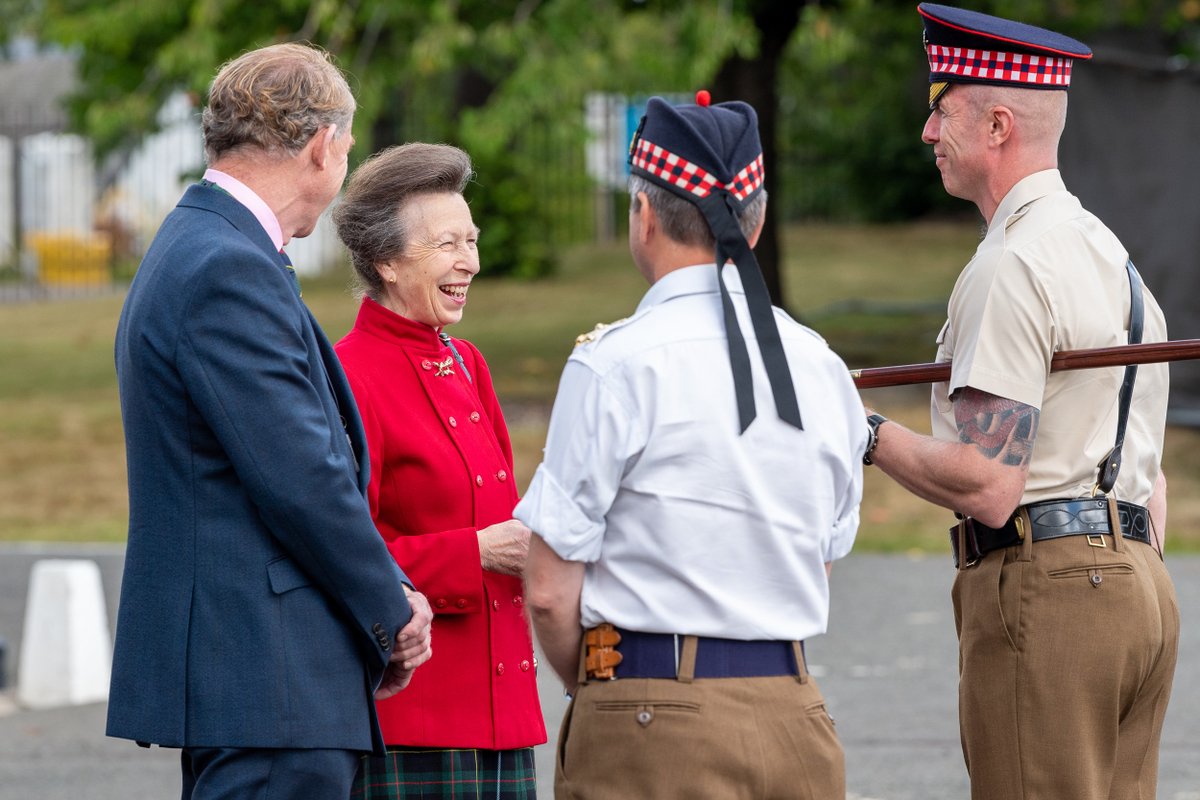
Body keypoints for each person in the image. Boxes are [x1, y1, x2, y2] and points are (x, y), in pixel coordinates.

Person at [862, 5, 1180, 798]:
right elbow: (1154, 477)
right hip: (1141, 583)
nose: (928, 133)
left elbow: (989, 482)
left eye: (941, 111)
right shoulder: (1110, 253)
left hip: (1055, 592)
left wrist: (860, 430)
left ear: (998, 122)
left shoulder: (1012, 263)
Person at [517, 93, 866, 799]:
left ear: (643, 217)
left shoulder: (616, 362)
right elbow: (817, 558)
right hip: (793, 713)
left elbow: (552, 591)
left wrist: (597, 692)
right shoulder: (820, 366)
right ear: (756, 220)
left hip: (651, 716)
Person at [109, 43, 433, 800]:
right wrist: (392, 608)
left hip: (255, 684)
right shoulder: (226, 265)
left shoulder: (203, 246)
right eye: (347, 151)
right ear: (322, 147)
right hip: (270, 682)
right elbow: (301, 477)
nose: (344, 169)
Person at [332, 143, 546, 799]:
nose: (470, 262)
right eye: (447, 245)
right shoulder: (347, 373)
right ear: (386, 262)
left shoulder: (468, 362)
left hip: (503, 712)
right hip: (415, 716)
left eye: (472, 241)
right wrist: (475, 552)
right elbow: (340, 553)